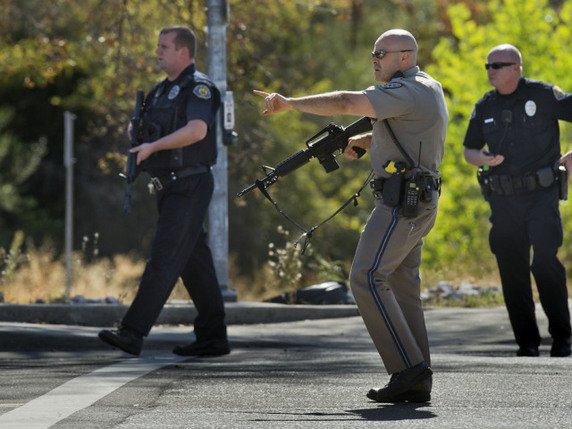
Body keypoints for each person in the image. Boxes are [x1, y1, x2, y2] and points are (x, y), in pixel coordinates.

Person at [254, 29, 448, 402]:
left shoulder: (407, 89)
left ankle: (408, 370)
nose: (374, 59)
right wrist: (363, 143)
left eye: (381, 53)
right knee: (404, 286)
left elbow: (345, 100)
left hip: (402, 204)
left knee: (366, 277)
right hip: (417, 198)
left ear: (404, 57)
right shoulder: (426, 87)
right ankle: (417, 373)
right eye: (373, 52)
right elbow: (407, 132)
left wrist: (289, 103)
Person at [98, 26, 229, 357]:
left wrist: (154, 145)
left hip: (189, 184)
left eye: (164, 46)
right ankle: (213, 336)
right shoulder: (158, 92)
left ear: (183, 52)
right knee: (193, 261)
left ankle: (132, 332)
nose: (157, 52)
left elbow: (197, 131)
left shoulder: (199, 88)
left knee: (164, 257)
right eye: (158, 46)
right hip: (167, 186)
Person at [463, 44, 572, 357]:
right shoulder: (485, 105)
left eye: (496, 65)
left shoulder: (543, 95)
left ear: (515, 67)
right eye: (488, 65)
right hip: (504, 200)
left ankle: (563, 338)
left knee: (545, 261)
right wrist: (481, 158)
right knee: (512, 270)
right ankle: (527, 342)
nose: (490, 71)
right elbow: (469, 149)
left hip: (541, 195)